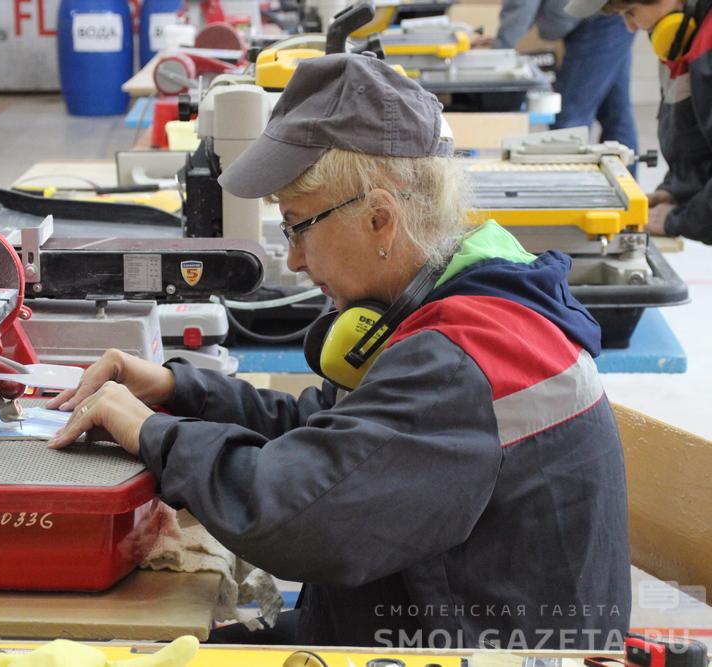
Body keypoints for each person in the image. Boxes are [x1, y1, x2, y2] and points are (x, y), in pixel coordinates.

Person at [46, 53, 631, 648]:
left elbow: (296, 516)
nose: (295, 259)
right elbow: (340, 441)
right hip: (417, 623)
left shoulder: (462, 360)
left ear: (379, 218)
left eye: (297, 225)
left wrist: (152, 432)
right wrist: (179, 390)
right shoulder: (464, 302)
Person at [566, 0, 712, 242]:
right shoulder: (687, 35)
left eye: (631, 12)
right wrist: (679, 190)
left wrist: (680, 220)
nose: (630, 27)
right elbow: (694, 136)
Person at [484, 0, 639, 168]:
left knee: (569, 120)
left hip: (599, 18)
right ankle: (628, 183)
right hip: (606, 16)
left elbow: (521, 4)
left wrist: (499, 52)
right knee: (615, 111)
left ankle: (569, 180)